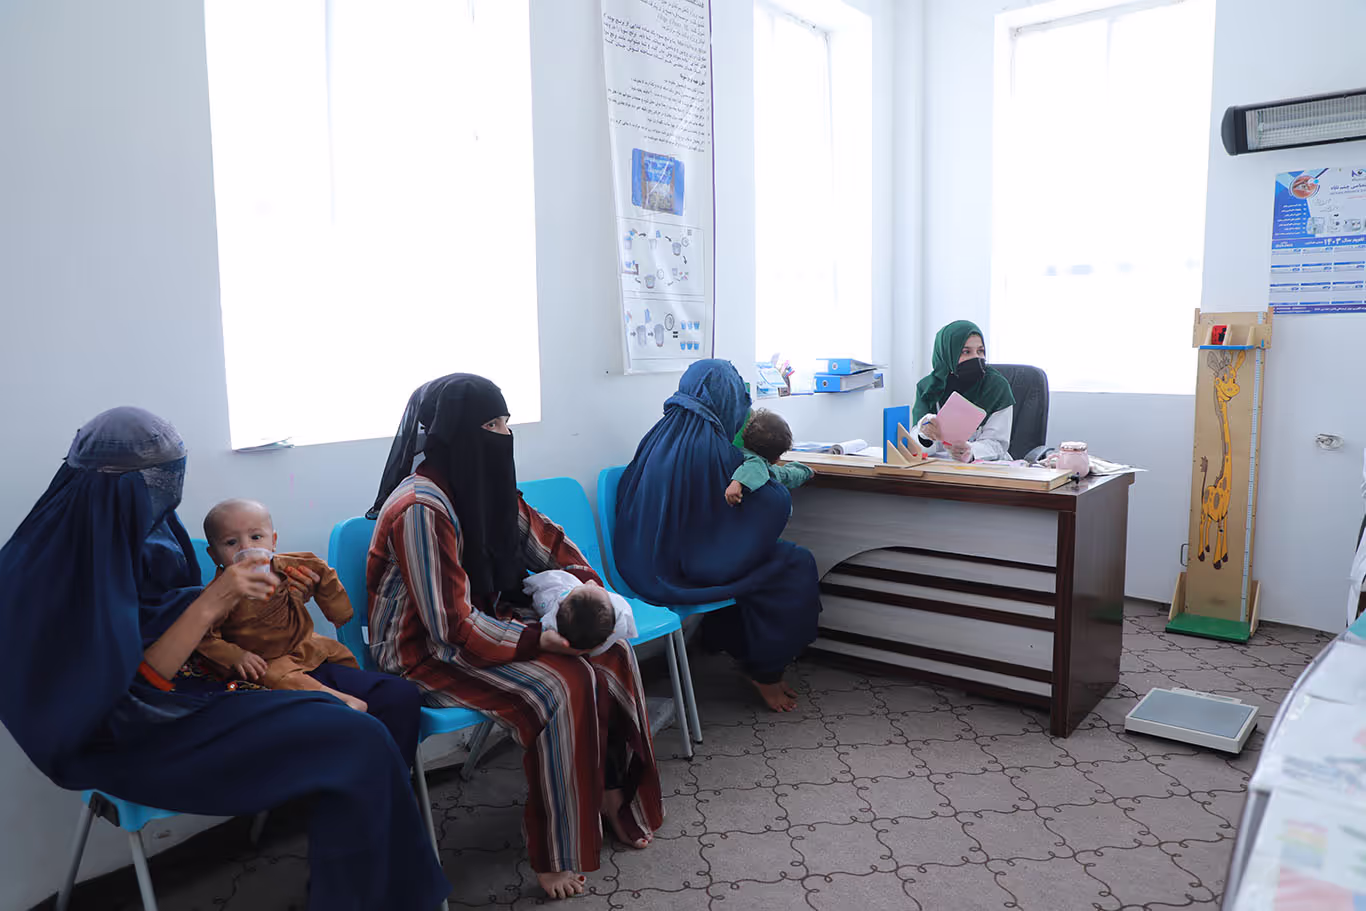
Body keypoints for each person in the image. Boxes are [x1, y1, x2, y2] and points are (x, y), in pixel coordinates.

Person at [0, 408, 447, 911]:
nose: (165, 492)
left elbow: (173, 628)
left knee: (370, 716)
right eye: (152, 480)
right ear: (113, 484)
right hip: (126, 735)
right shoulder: (43, 574)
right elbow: (127, 689)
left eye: (170, 474)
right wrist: (215, 599)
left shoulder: (145, 530)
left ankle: (363, 877)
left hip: (191, 690)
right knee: (353, 734)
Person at [366, 374, 664, 901]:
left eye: (506, 421)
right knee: (562, 684)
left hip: (483, 619)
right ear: (454, 433)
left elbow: (554, 549)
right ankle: (556, 850)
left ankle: (610, 789)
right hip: (422, 650)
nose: (504, 434)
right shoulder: (421, 508)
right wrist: (537, 642)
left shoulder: (487, 488)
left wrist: (590, 599)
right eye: (491, 424)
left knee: (611, 649)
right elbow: (448, 625)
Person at [614, 360, 821, 713]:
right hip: (688, 569)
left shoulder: (658, 435)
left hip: (642, 560)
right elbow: (772, 502)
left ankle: (732, 647)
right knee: (795, 565)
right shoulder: (714, 448)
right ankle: (765, 671)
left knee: (770, 564)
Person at [198, 497, 423, 767]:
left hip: (307, 652)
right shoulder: (218, 595)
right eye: (231, 542)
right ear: (214, 555)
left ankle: (391, 775)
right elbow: (204, 637)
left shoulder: (290, 567)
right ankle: (340, 703)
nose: (247, 548)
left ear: (273, 541)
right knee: (285, 681)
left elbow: (323, 573)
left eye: (256, 537)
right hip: (264, 666)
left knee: (399, 694)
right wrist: (236, 656)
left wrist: (339, 612)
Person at [913, 320, 1016, 463]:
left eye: (980, 351)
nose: (976, 358)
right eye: (966, 352)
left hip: (986, 468)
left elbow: (998, 444)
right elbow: (916, 448)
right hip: (939, 468)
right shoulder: (928, 388)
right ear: (947, 354)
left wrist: (971, 451)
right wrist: (924, 434)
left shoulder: (996, 387)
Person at [523, 569, 638, 656]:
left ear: (560, 603)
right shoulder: (620, 615)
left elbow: (531, 583)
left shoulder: (549, 625)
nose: (591, 582)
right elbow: (629, 628)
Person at [724, 408, 814, 506]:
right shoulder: (767, 468)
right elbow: (755, 464)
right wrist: (737, 483)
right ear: (776, 459)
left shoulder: (736, 452)